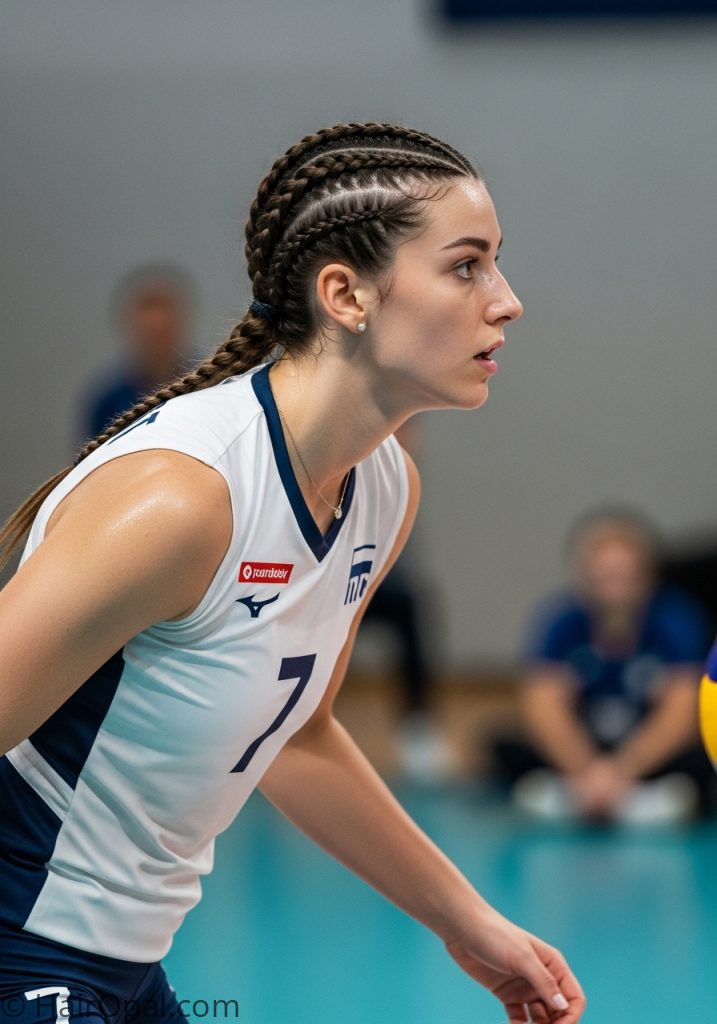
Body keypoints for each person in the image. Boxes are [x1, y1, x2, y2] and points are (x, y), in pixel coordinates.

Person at [0, 122, 584, 1024]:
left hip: (125, 965)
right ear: (345, 295)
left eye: (495, 264)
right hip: (24, 947)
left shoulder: (383, 486)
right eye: (465, 266)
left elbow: (296, 735)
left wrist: (470, 926)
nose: (505, 302)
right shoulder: (182, 500)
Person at [491, 508, 713, 825]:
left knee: (702, 758)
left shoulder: (677, 619)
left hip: (647, 751)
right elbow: (543, 705)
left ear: (646, 576)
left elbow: (681, 711)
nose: (613, 588)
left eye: (623, 576)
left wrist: (623, 770)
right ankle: (621, 799)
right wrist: (587, 770)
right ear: (583, 576)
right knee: (502, 744)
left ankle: (583, 798)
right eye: (603, 577)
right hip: (587, 744)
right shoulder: (560, 620)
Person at [79, 263, 198, 441]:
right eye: (150, 331)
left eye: (163, 331)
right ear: (129, 325)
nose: (157, 327)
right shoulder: (108, 402)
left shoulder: (208, 387)